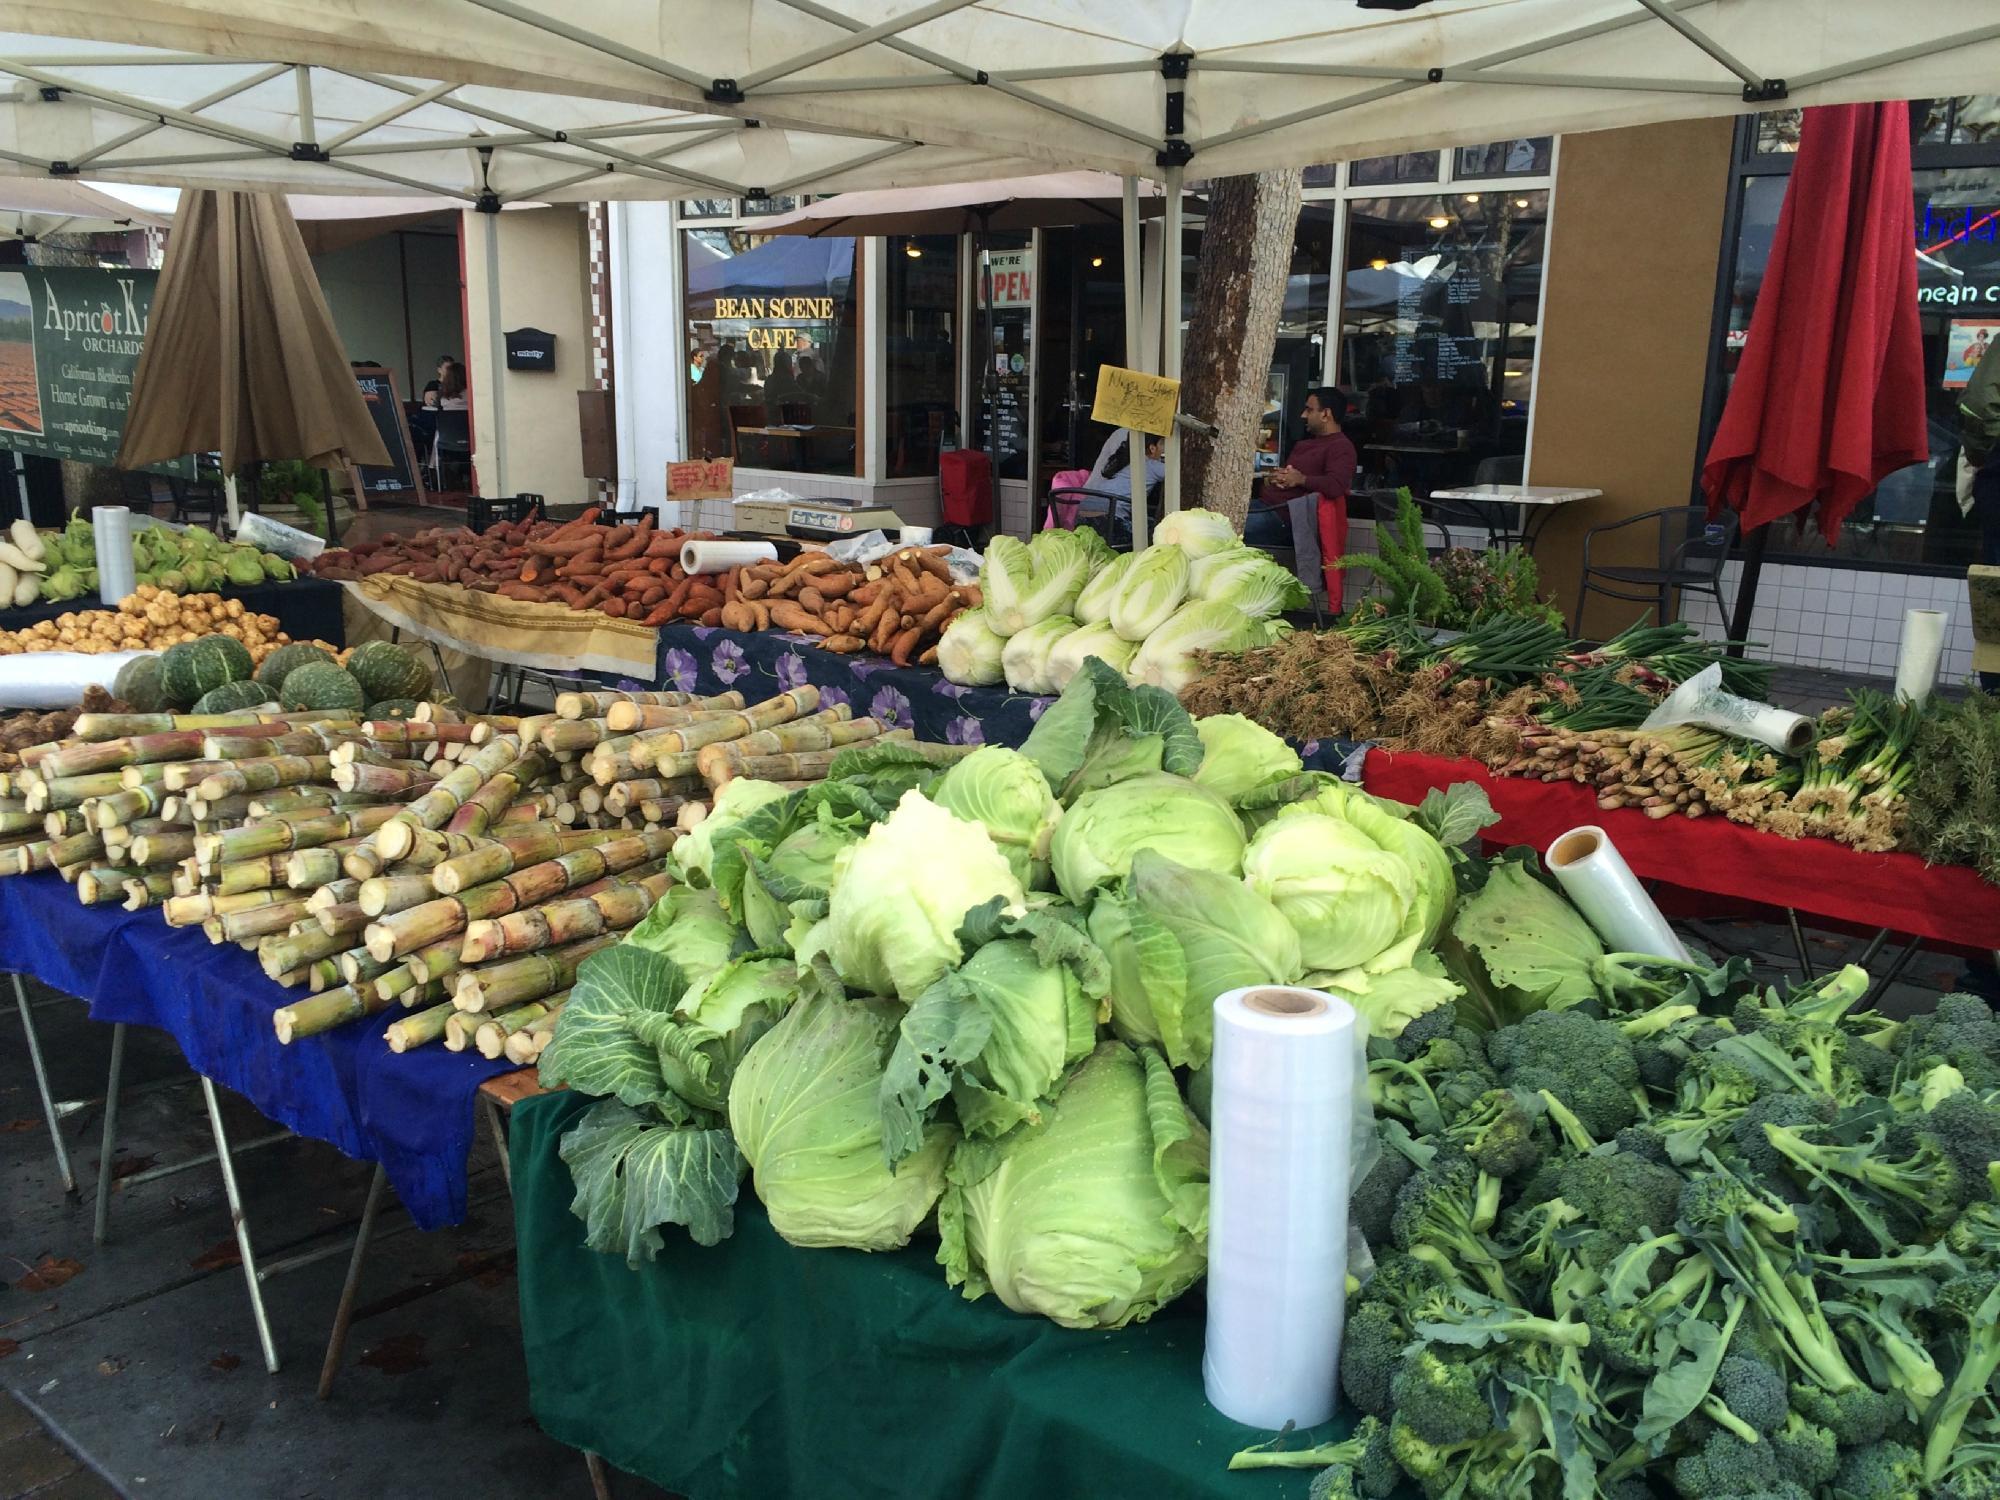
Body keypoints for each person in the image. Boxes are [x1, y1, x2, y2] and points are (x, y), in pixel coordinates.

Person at [1261, 387, 1358, 611]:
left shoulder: (1341, 447)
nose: (1303, 415)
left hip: (1288, 519)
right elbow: (1294, 478)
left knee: (1233, 528)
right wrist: (1279, 478)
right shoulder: (1306, 443)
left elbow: (1336, 486)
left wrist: (1301, 479)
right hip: (1267, 507)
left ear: (1326, 414)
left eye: (1309, 409)